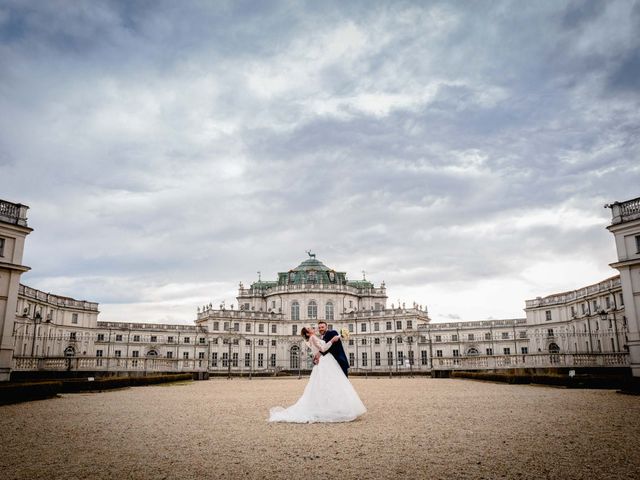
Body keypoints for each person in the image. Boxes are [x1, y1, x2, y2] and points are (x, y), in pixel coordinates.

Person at [268, 326, 366, 423]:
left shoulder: (310, 339)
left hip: (322, 361)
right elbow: (323, 349)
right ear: (307, 333)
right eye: (309, 328)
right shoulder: (313, 337)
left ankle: (329, 407)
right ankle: (335, 408)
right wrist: (333, 340)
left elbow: (317, 351)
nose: (312, 327)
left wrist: (317, 355)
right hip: (325, 361)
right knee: (332, 384)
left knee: (323, 385)